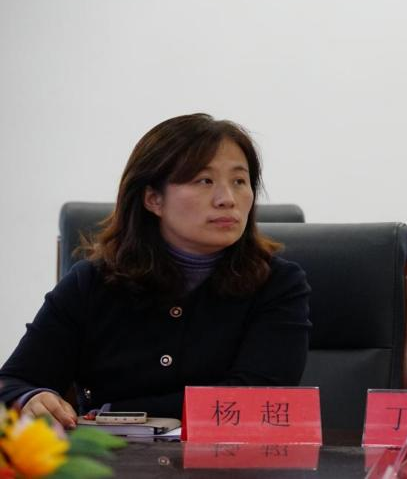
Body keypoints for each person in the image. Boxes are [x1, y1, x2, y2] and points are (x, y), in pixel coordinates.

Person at [0, 114, 312, 428]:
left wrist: (110, 412)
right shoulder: (92, 282)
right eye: (204, 181)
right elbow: (13, 382)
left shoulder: (277, 283)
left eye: (239, 181)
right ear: (153, 199)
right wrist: (31, 397)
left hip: (227, 457)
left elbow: (258, 400)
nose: (227, 199)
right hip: (110, 456)